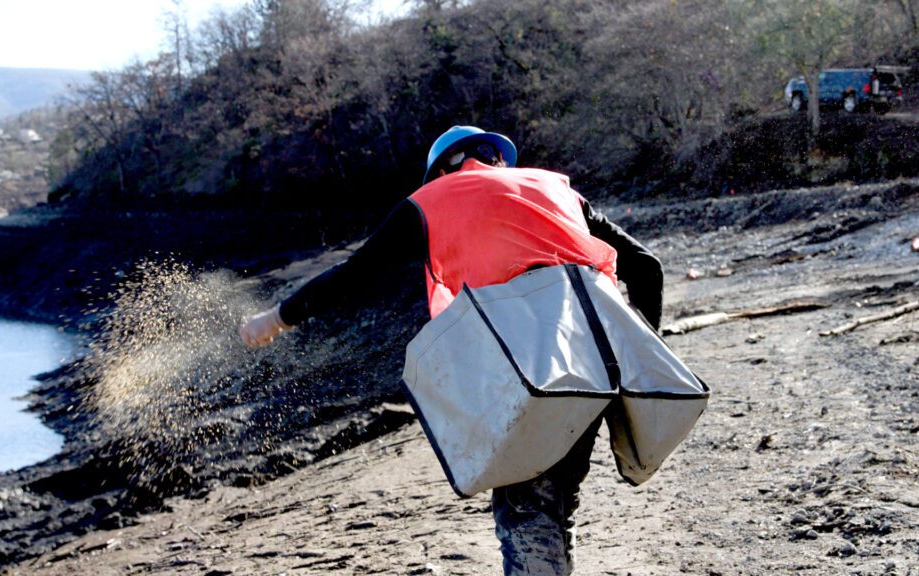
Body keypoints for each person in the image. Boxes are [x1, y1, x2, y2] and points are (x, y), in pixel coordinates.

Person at [239, 125, 664, 575]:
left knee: (525, 505)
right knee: (554, 498)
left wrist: (276, 319)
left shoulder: (431, 200)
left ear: (442, 169)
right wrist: (639, 361)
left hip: (521, 369)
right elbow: (646, 268)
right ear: (498, 158)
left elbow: (352, 275)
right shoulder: (557, 189)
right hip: (595, 361)